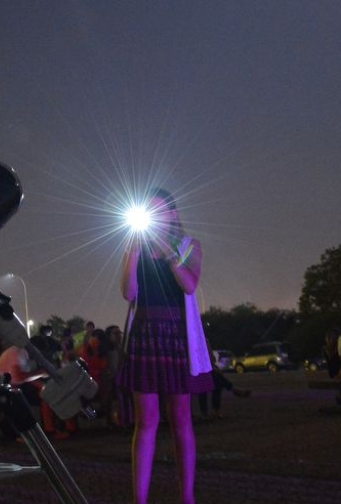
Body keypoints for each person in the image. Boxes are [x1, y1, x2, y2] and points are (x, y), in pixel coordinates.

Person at [117, 189, 212, 504]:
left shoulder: (189, 245)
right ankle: (138, 499)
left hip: (175, 336)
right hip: (144, 333)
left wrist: (169, 252)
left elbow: (189, 284)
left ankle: (187, 497)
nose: (155, 219)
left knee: (181, 417)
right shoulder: (136, 247)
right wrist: (132, 252)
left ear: (173, 214)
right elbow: (129, 292)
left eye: (160, 212)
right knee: (146, 420)